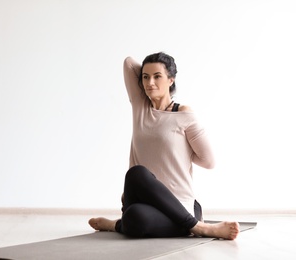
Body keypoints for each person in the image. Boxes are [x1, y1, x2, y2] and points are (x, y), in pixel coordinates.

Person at [88, 52, 240, 240]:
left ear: (171, 80)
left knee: (135, 216)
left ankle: (196, 226)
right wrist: (151, 69)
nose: (150, 82)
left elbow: (209, 161)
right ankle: (195, 227)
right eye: (145, 77)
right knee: (136, 179)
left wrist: (181, 151)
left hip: (178, 205)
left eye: (157, 76)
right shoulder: (140, 106)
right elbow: (129, 63)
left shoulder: (183, 114)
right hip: (144, 203)